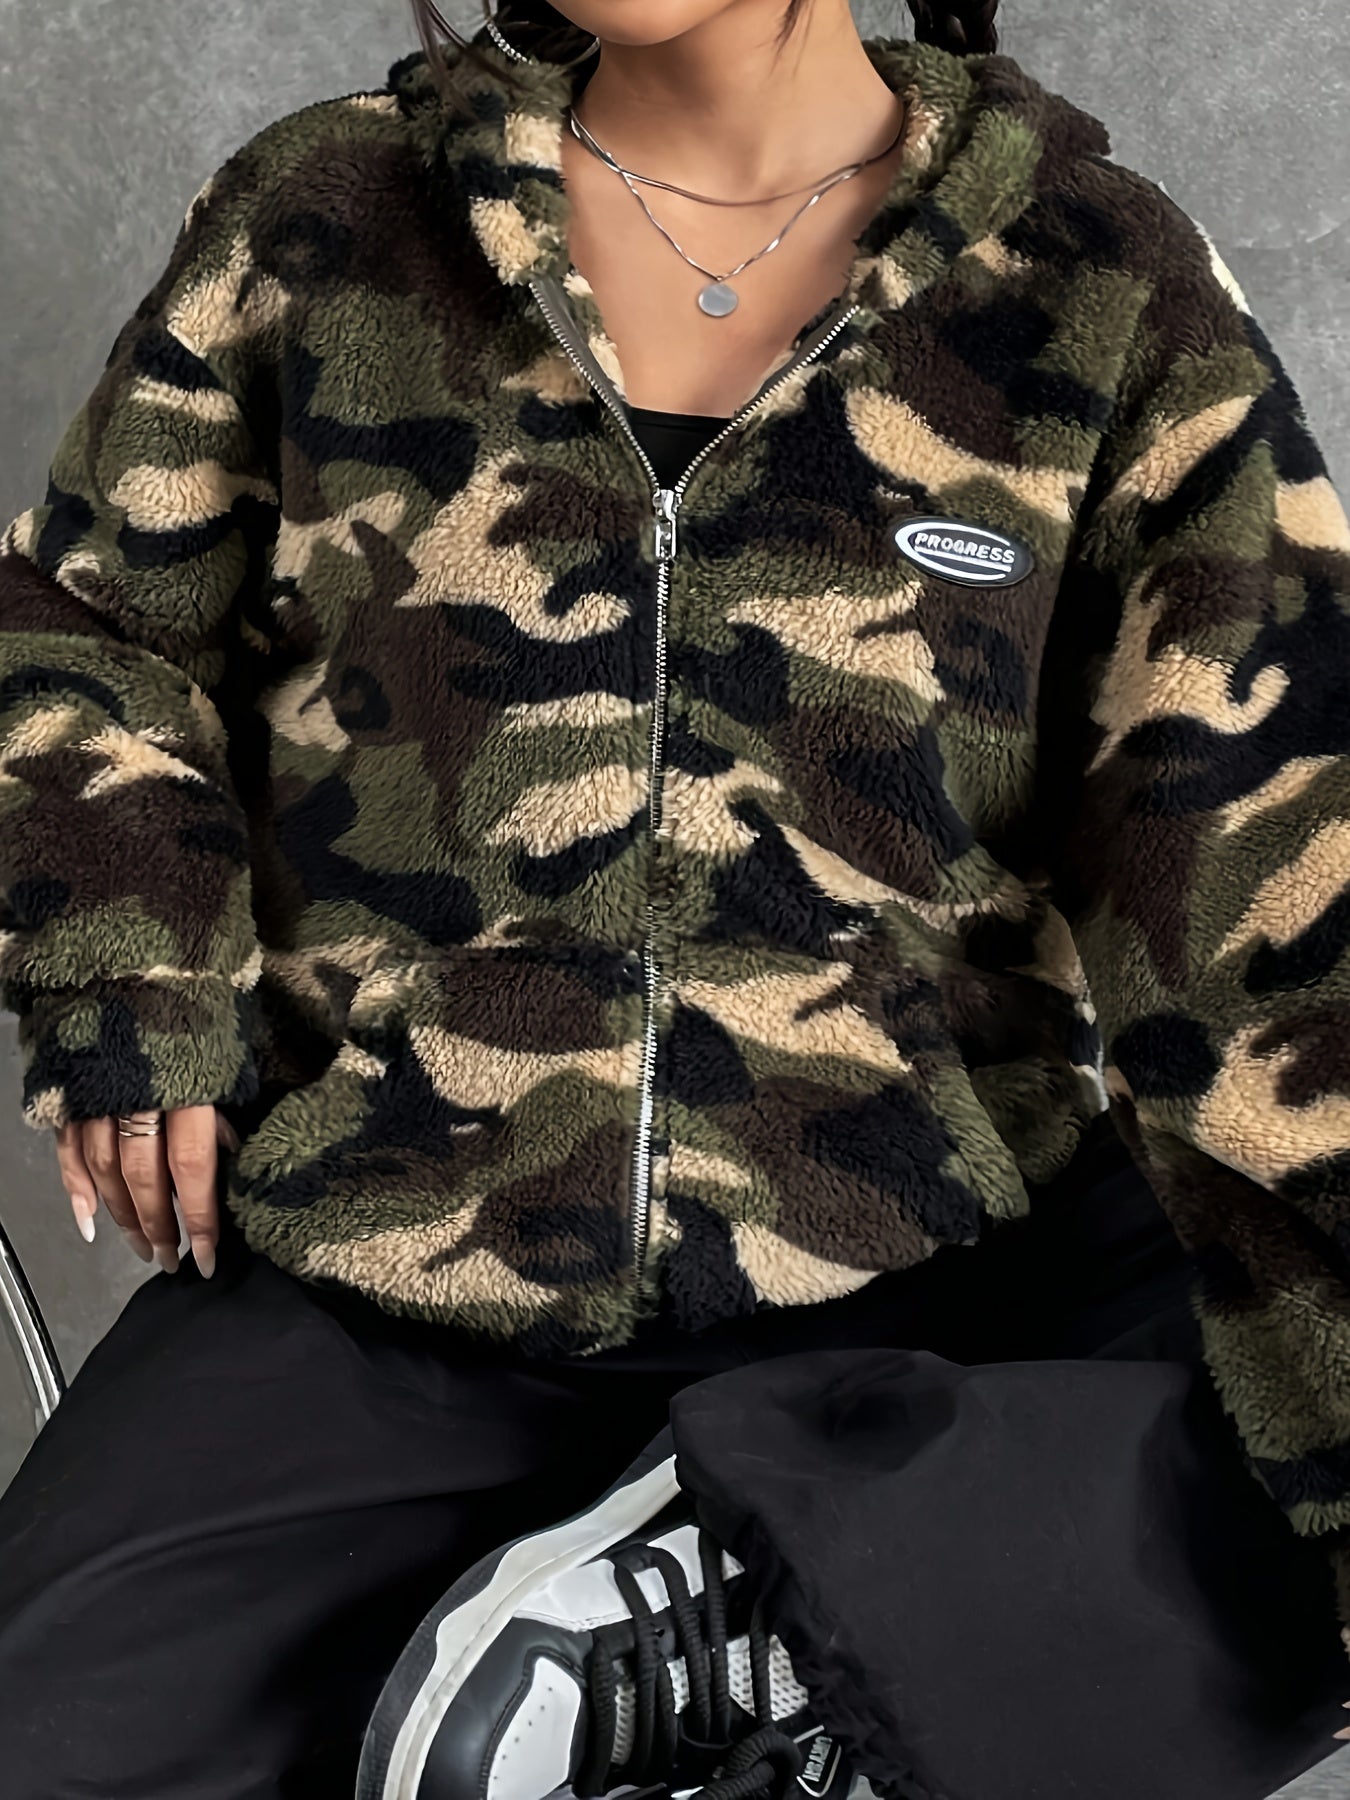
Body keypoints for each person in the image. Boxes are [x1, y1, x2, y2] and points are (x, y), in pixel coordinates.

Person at [0, 1, 1348, 1795]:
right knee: (46, 1736)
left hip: (936, 1259)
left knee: (1296, 1439)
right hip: (409, 1239)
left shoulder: (1100, 279)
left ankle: (783, 1597)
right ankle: (803, 1617)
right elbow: (87, 626)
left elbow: (1267, 848)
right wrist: (131, 975)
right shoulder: (326, 211)